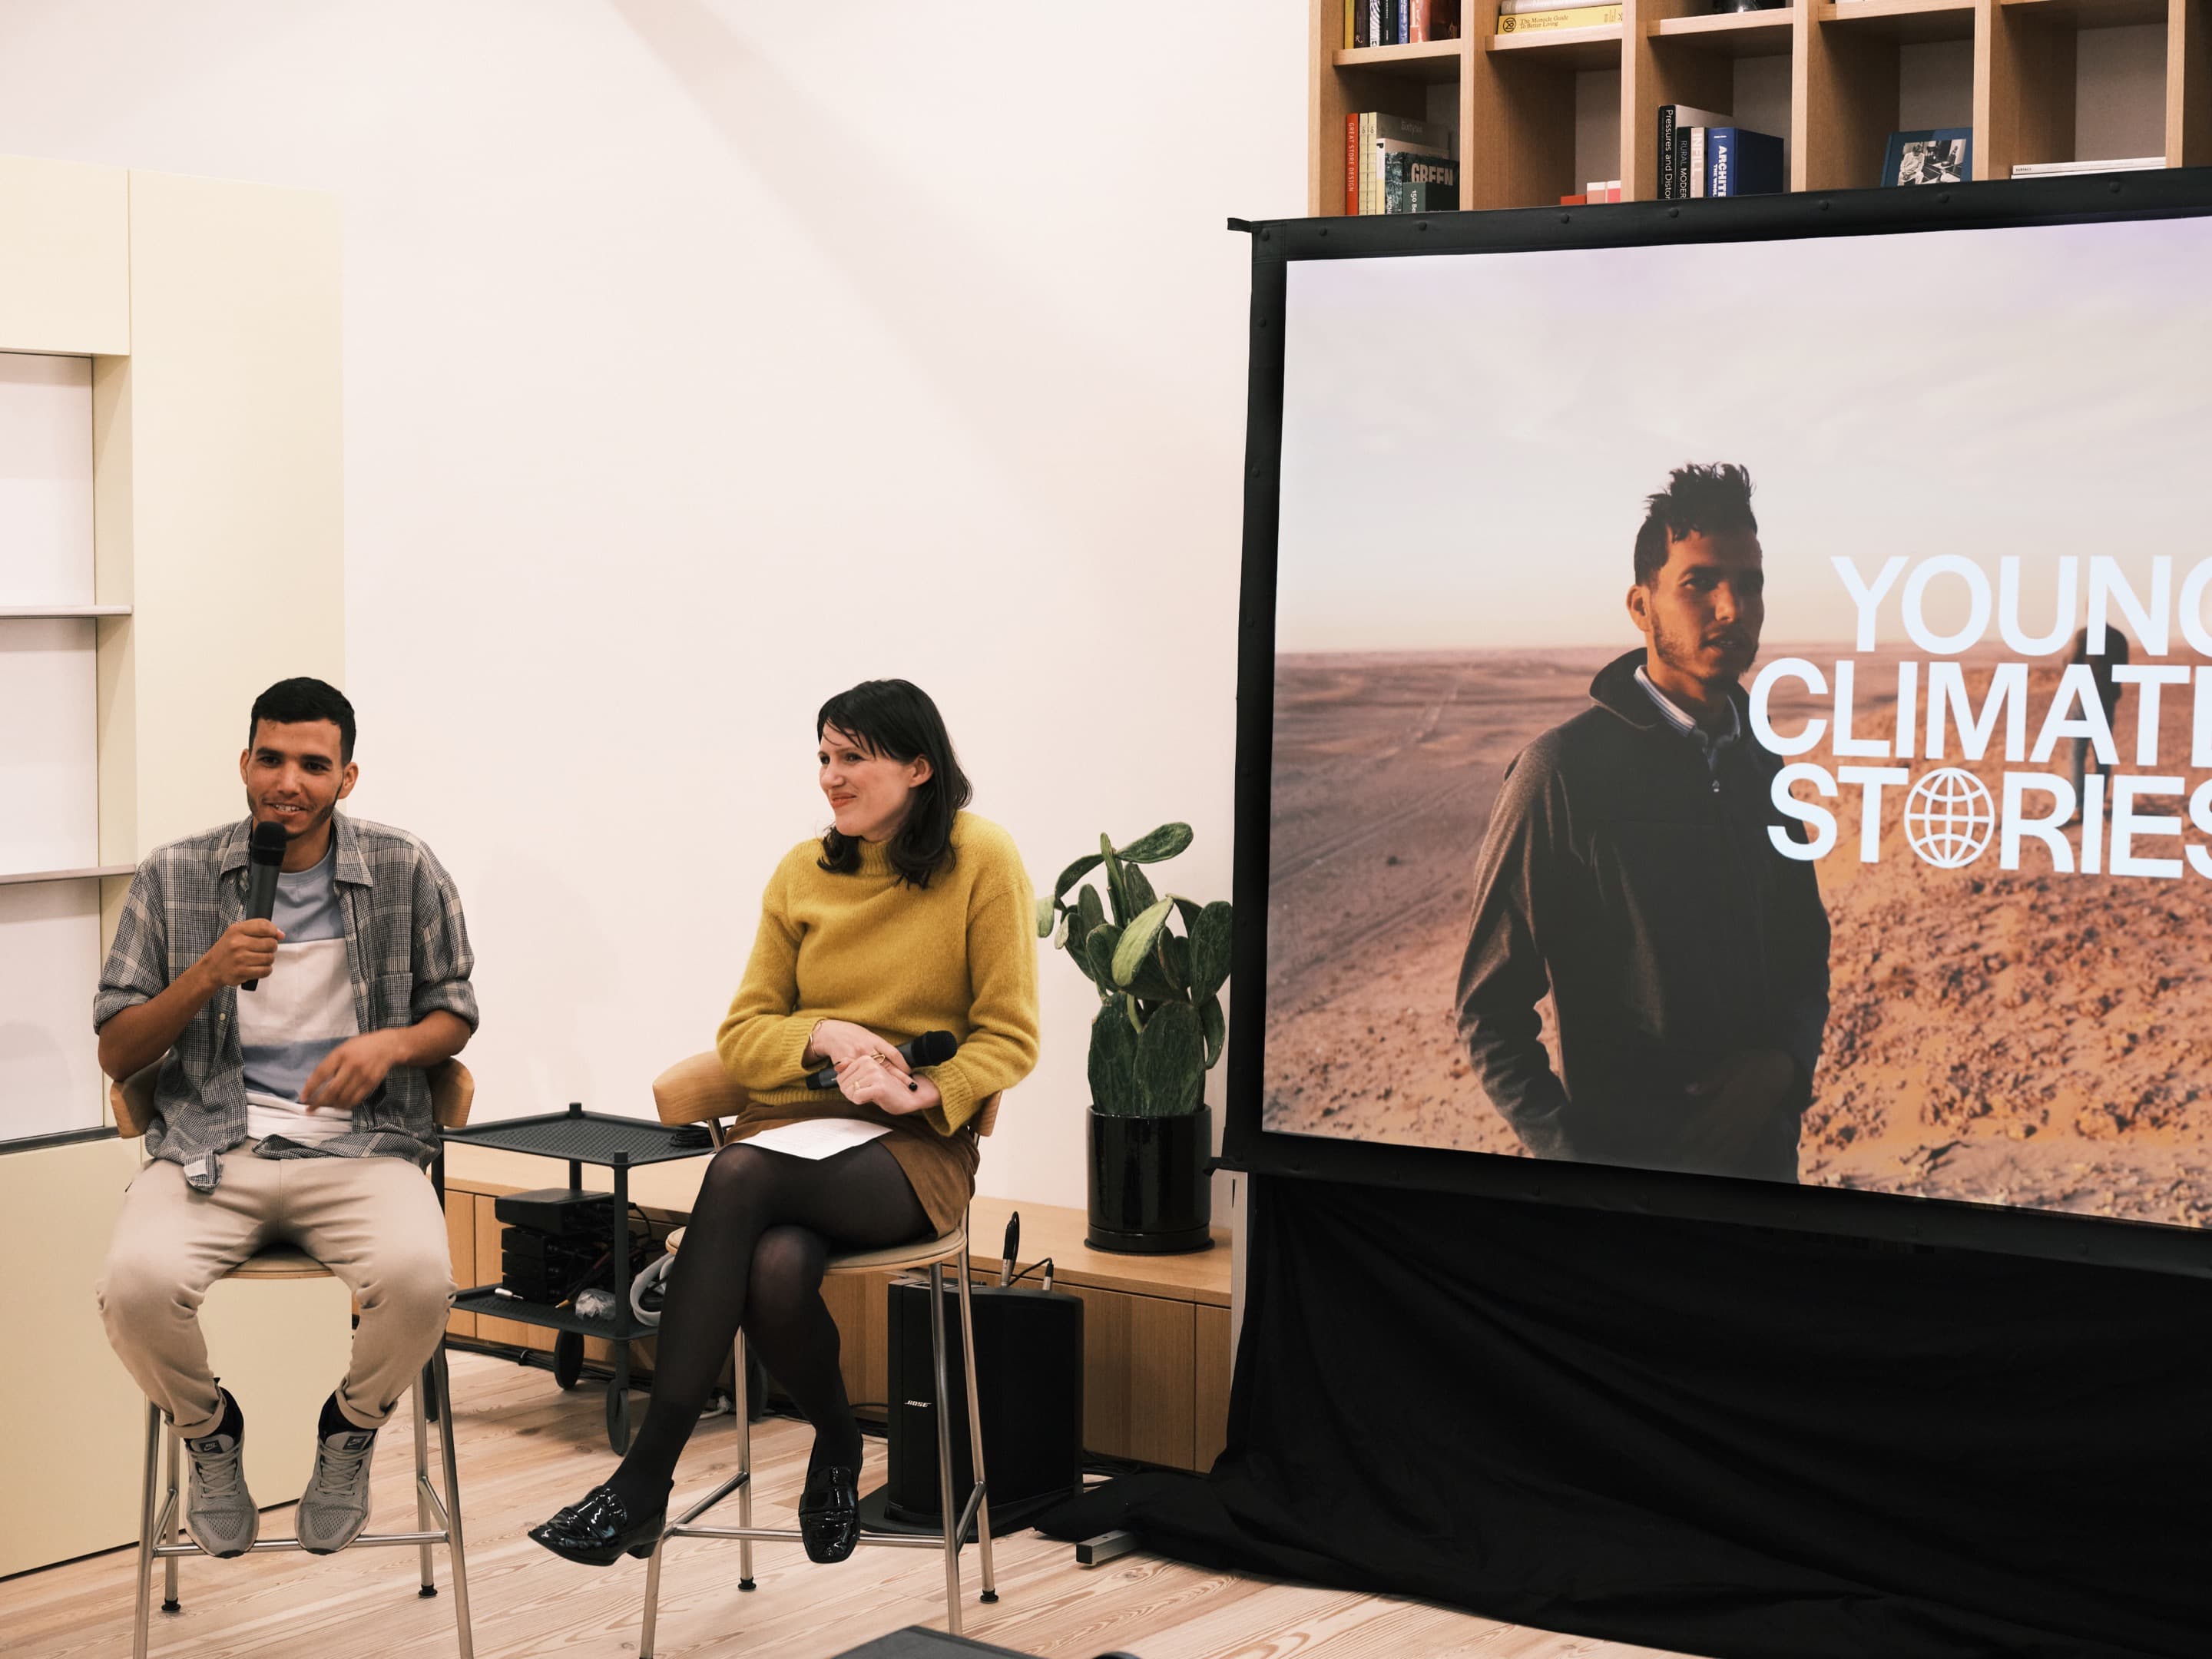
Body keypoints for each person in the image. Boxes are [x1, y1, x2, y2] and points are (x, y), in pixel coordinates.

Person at [530, 679, 1040, 1568]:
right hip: (792, 1134)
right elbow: (745, 1031)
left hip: (910, 1150)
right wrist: (824, 1035)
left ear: (920, 768)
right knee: (770, 1269)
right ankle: (838, 1446)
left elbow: (1010, 1034)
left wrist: (927, 1093)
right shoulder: (805, 871)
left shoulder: (981, 857)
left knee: (737, 1175)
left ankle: (642, 1484)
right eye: (824, 758)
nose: (831, 779)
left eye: (854, 758)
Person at [94, 677, 476, 1558]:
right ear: (245, 763)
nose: (288, 783)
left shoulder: (405, 867)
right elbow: (118, 1051)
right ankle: (207, 1432)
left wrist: (390, 1049)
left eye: (313, 765)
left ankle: (350, 1429)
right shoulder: (176, 873)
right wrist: (203, 975)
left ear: (346, 778)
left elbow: (454, 1010)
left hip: (363, 1148)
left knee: (420, 1280)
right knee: (135, 1287)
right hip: (209, 1149)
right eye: (271, 759)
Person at [1456, 463, 1830, 1181]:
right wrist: (1586, 1167)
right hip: (1630, 1220)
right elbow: (1489, 1011)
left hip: (1766, 1185)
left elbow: (1803, 948)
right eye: (1700, 583)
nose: (1733, 607)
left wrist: (1783, 1069)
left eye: (1750, 584)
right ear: (1641, 605)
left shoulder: (1763, 763)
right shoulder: (1562, 774)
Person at [2067, 624, 2130, 818]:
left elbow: (2071, 665)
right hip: (2106, 701)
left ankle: (2079, 805)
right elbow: (2122, 670)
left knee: (2077, 754)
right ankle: (2095, 804)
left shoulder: (2083, 635)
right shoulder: (2118, 637)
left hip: (2084, 699)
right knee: (2102, 755)